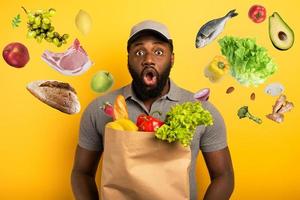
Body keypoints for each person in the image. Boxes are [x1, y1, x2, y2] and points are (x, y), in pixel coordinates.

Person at [71, 20, 234, 200]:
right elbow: (81, 173)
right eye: (139, 52)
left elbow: (223, 175)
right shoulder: (100, 109)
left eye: (158, 52)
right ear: (128, 59)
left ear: (172, 58)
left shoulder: (200, 109)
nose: (148, 59)